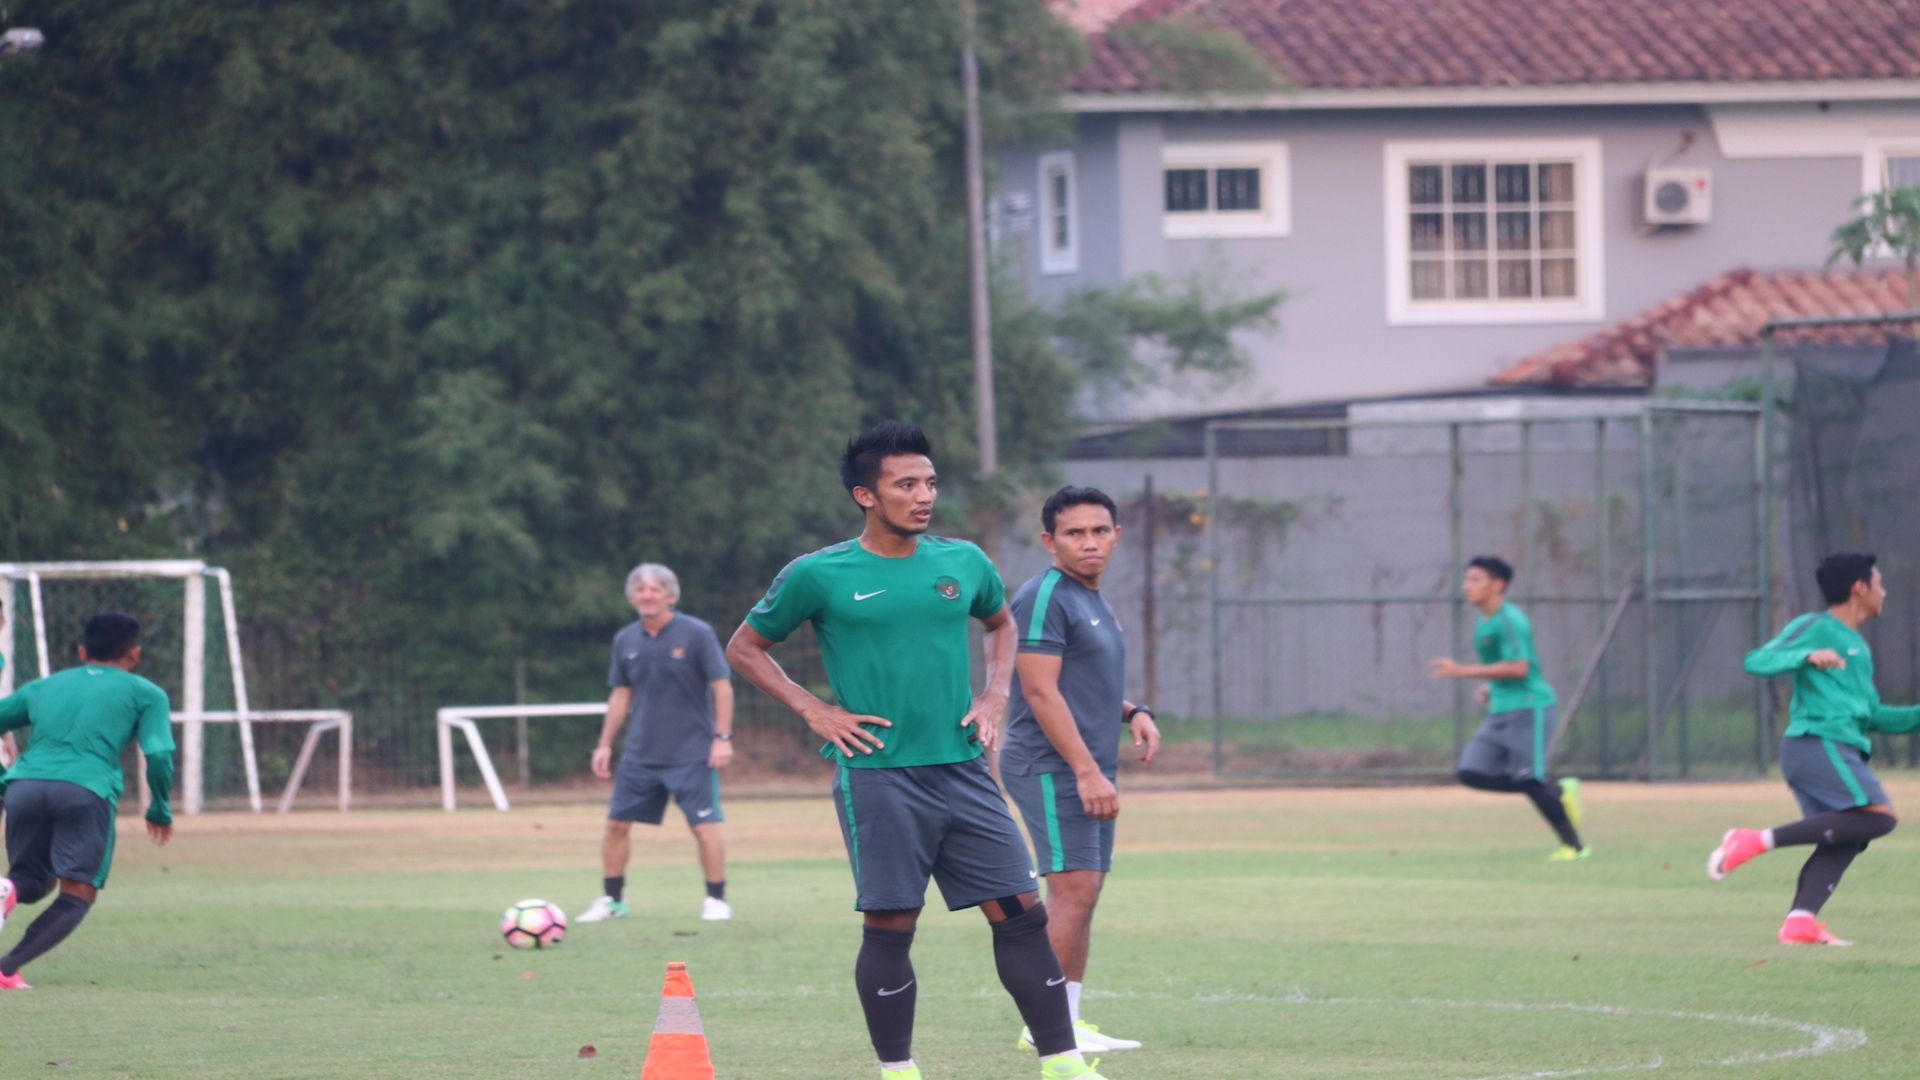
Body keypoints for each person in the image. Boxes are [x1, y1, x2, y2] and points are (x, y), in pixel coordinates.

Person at [726, 422, 1106, 1080]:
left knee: (1021, 913)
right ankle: (898, 1070)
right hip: (878, 776)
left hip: (963, 769)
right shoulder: (818, 573)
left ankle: (1063, 1063)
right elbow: (744, 647)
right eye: (905, 484)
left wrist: (994, 694)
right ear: (865, 495)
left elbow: (1002, 624)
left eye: (929, 482)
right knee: (892, 923)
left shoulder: (963, 562)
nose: (924, 495)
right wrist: (815, 709)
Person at [1000, 485, 1159, 1055]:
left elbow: (1081, 682)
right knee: (1071, 889)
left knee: (1084, 890)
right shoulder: (1044, 597)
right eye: (1074, 533)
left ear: (1116, 535)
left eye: (1099, 531)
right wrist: (1087, 772)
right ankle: (1044, 1027)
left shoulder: (1091, 598)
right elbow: (1040, 692)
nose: (1089, 542)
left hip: (1083, 764)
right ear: (1050, 541)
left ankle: (1066, 1020)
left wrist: (1133, 711)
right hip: (1049, 764)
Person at [1706, 553, 1918, 946]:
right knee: (1879, 817)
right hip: (1816, 744)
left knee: (1849, 836)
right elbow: (1757, 660)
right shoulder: (1816, 626)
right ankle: (1751, 841)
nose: (1884, 592)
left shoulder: (1858, 647)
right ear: (1859, 588)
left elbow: (1871, 715)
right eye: (1879, 583)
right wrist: (1805, 655)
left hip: (1837, 748)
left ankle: (1800, 922)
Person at [0, 612, 176, 990]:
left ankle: (6, 891)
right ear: (134, 653)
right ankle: (6, 967)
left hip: (24, 787)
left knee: (32, 880)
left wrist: (5, 779)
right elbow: (159, 753)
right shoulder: (146, 693)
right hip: (84, 789)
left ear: (82, 651)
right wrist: (160, 806)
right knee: (78, 891)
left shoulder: (43, 686)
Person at [579, 563, 736, 924]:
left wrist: (722, 737)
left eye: (654, 589)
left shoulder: (697, 633)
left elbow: (722, 686)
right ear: (632, 597)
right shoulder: (625, 639)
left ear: (671, 595)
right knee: (616, 826)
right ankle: (613, 900)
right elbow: (621, 695)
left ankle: (716, 900)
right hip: (640, 754)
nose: (647, 595)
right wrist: (604, 744)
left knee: (704, 827)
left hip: (692, 752)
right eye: (640, 589)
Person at [1430, 556, 1588, 860]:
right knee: (1471, 773)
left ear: (1498, 585)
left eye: (1476, 579)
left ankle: (1574, 847)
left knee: (1528, 777)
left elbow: (1519, 667)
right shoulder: (1485, 620)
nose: (1467, 585)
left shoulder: (1510, 620)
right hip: (1501, 709)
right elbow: (1504, 666)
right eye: (1467, 579)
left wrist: (1461, 670)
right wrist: (1491, 687)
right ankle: (1557, 790)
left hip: (1530, 707)